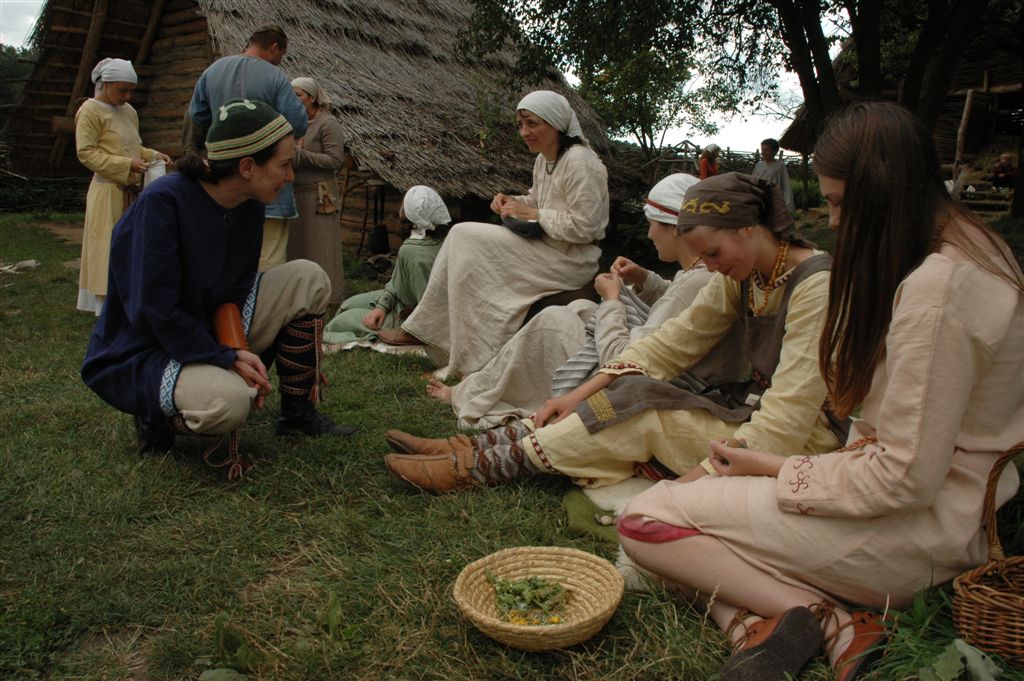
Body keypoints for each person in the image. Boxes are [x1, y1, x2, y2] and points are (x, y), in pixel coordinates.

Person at [615, 102, 1023, 681]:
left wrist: (776, 470)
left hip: (921, 534)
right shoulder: (978, 247)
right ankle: (752, 624)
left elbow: (902, 478)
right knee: (695, 547)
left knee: (644, 521)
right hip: (942, 512)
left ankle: (827, 618)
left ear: (882, 191)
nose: (831, 221)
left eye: (838, 202)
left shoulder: (938, 290)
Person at [384, 172, 846, 494]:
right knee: (625, 390)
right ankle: (474, 449)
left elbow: (787, 419)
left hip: (799, 439)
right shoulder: (742, 275)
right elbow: (670, 343)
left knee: (638, 414)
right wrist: (578, 392)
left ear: (749, 228)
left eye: (713, 253)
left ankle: (478, 467)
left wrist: (685, 491)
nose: (708, 265)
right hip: (750, 408)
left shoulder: (816, 286)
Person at [83, 99, 354, 479]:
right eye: (284, 165)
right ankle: (154, 415)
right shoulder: (162, 204)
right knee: (230, 403)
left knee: (308, 278)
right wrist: (223, 357)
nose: (291, 176)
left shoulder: (249, 203)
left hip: (206, 326)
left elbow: (236, 288)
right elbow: (152, 309)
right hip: (148, 346)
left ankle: (297, 414)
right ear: (247, 167)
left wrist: (233, 347)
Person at [423, 173, 718, 429]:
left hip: (649, 385)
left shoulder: (694, 284)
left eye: (652, 223)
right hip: (662, 370)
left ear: (675, 227)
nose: (650, 233)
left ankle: (474, 391)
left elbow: (624, 360)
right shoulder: (701, 275)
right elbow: (674, 301)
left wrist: (613, 301)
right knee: (580, 308)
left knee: (553, 321)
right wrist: (645, 279)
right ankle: (485, 383)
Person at [377, 90, 609, 379]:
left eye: (532, 124)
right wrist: (512, 201)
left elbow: (587, 226)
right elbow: (538, 199)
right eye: (520, 125)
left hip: (570, 259)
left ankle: (446, 341)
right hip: (545, 246)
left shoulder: (581, 162)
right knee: (463, 240)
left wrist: (534, 214)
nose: (524, 132)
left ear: (556, 123)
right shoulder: (544, 160)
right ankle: (437, 335)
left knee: (463, 236)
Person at [183, 24, 307, 272]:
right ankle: (263, 297)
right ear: (275, 48)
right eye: (282, 54)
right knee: (269, 257)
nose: (280, 60)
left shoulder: (212, 71)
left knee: (228, 252)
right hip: (267, 180)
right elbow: (297, 122)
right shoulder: (274, 77)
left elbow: (198, 115)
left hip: (225, 181)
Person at [75, 58, 170, 315]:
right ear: (105, 84)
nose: (127, 96)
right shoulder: (90, 111)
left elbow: (133, 146)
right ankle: (105, 307)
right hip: (107, 192)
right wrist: (126, 164)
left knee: (131, 246)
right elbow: (86, 153)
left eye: (131, 91)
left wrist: (152, 155)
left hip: (130, 191)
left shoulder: (129, 112)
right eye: (122, 90)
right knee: (107, 246)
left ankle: (128, 300)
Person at [323, 185, 451, 345]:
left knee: (339, 322)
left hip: (410, 319)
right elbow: (397, 283)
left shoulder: (412, 250)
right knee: (347, 305)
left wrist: (410, 325)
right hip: (400, 301)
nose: (400, 208)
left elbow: (429, 309)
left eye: (404, 204)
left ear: (412, 213)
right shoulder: (437, 239)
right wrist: (381, 307)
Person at [288, 76, 347, 306]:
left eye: (298, 95)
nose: (294, 99)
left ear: (312, 98)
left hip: (320, 195)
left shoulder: (327, 123)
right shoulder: (294, 124)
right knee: (300, 247)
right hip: (297, 193)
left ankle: (329, 299)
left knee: (322, 248)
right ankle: (303, 298)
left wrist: (302, 155)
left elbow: (335, 160)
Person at [752, 138, 794, 212]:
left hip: (774, 201)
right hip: (760, 200)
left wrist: (788, 205)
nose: (763, 152)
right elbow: (753, 182)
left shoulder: (779, 166)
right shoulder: (759, 165)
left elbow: (786, 185)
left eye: (767, 150)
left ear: (775, 151)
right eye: (762, 150)